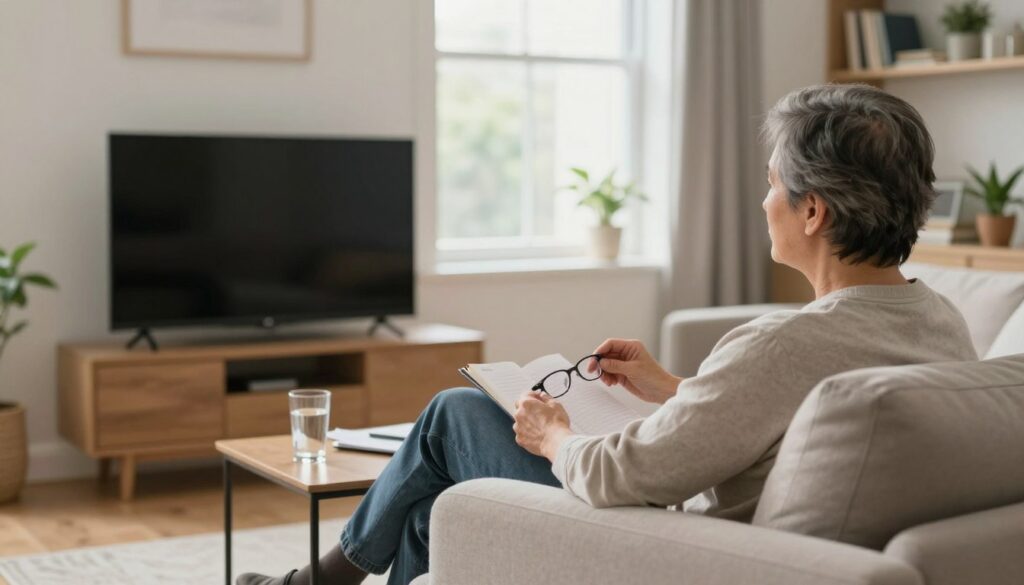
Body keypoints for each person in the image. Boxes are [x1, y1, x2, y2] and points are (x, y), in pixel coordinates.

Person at [238, 83, 978, 585]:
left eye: (770, 182)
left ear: (812, 211)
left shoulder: (780, 344)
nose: (762, 201)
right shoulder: (941, 321)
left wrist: (555, 432)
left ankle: (318, 580)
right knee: (434, 507)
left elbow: (621, 475)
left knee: (452, 418)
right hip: (765, 540)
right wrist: (670, 388)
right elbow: (801, 423)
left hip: (677, 545)